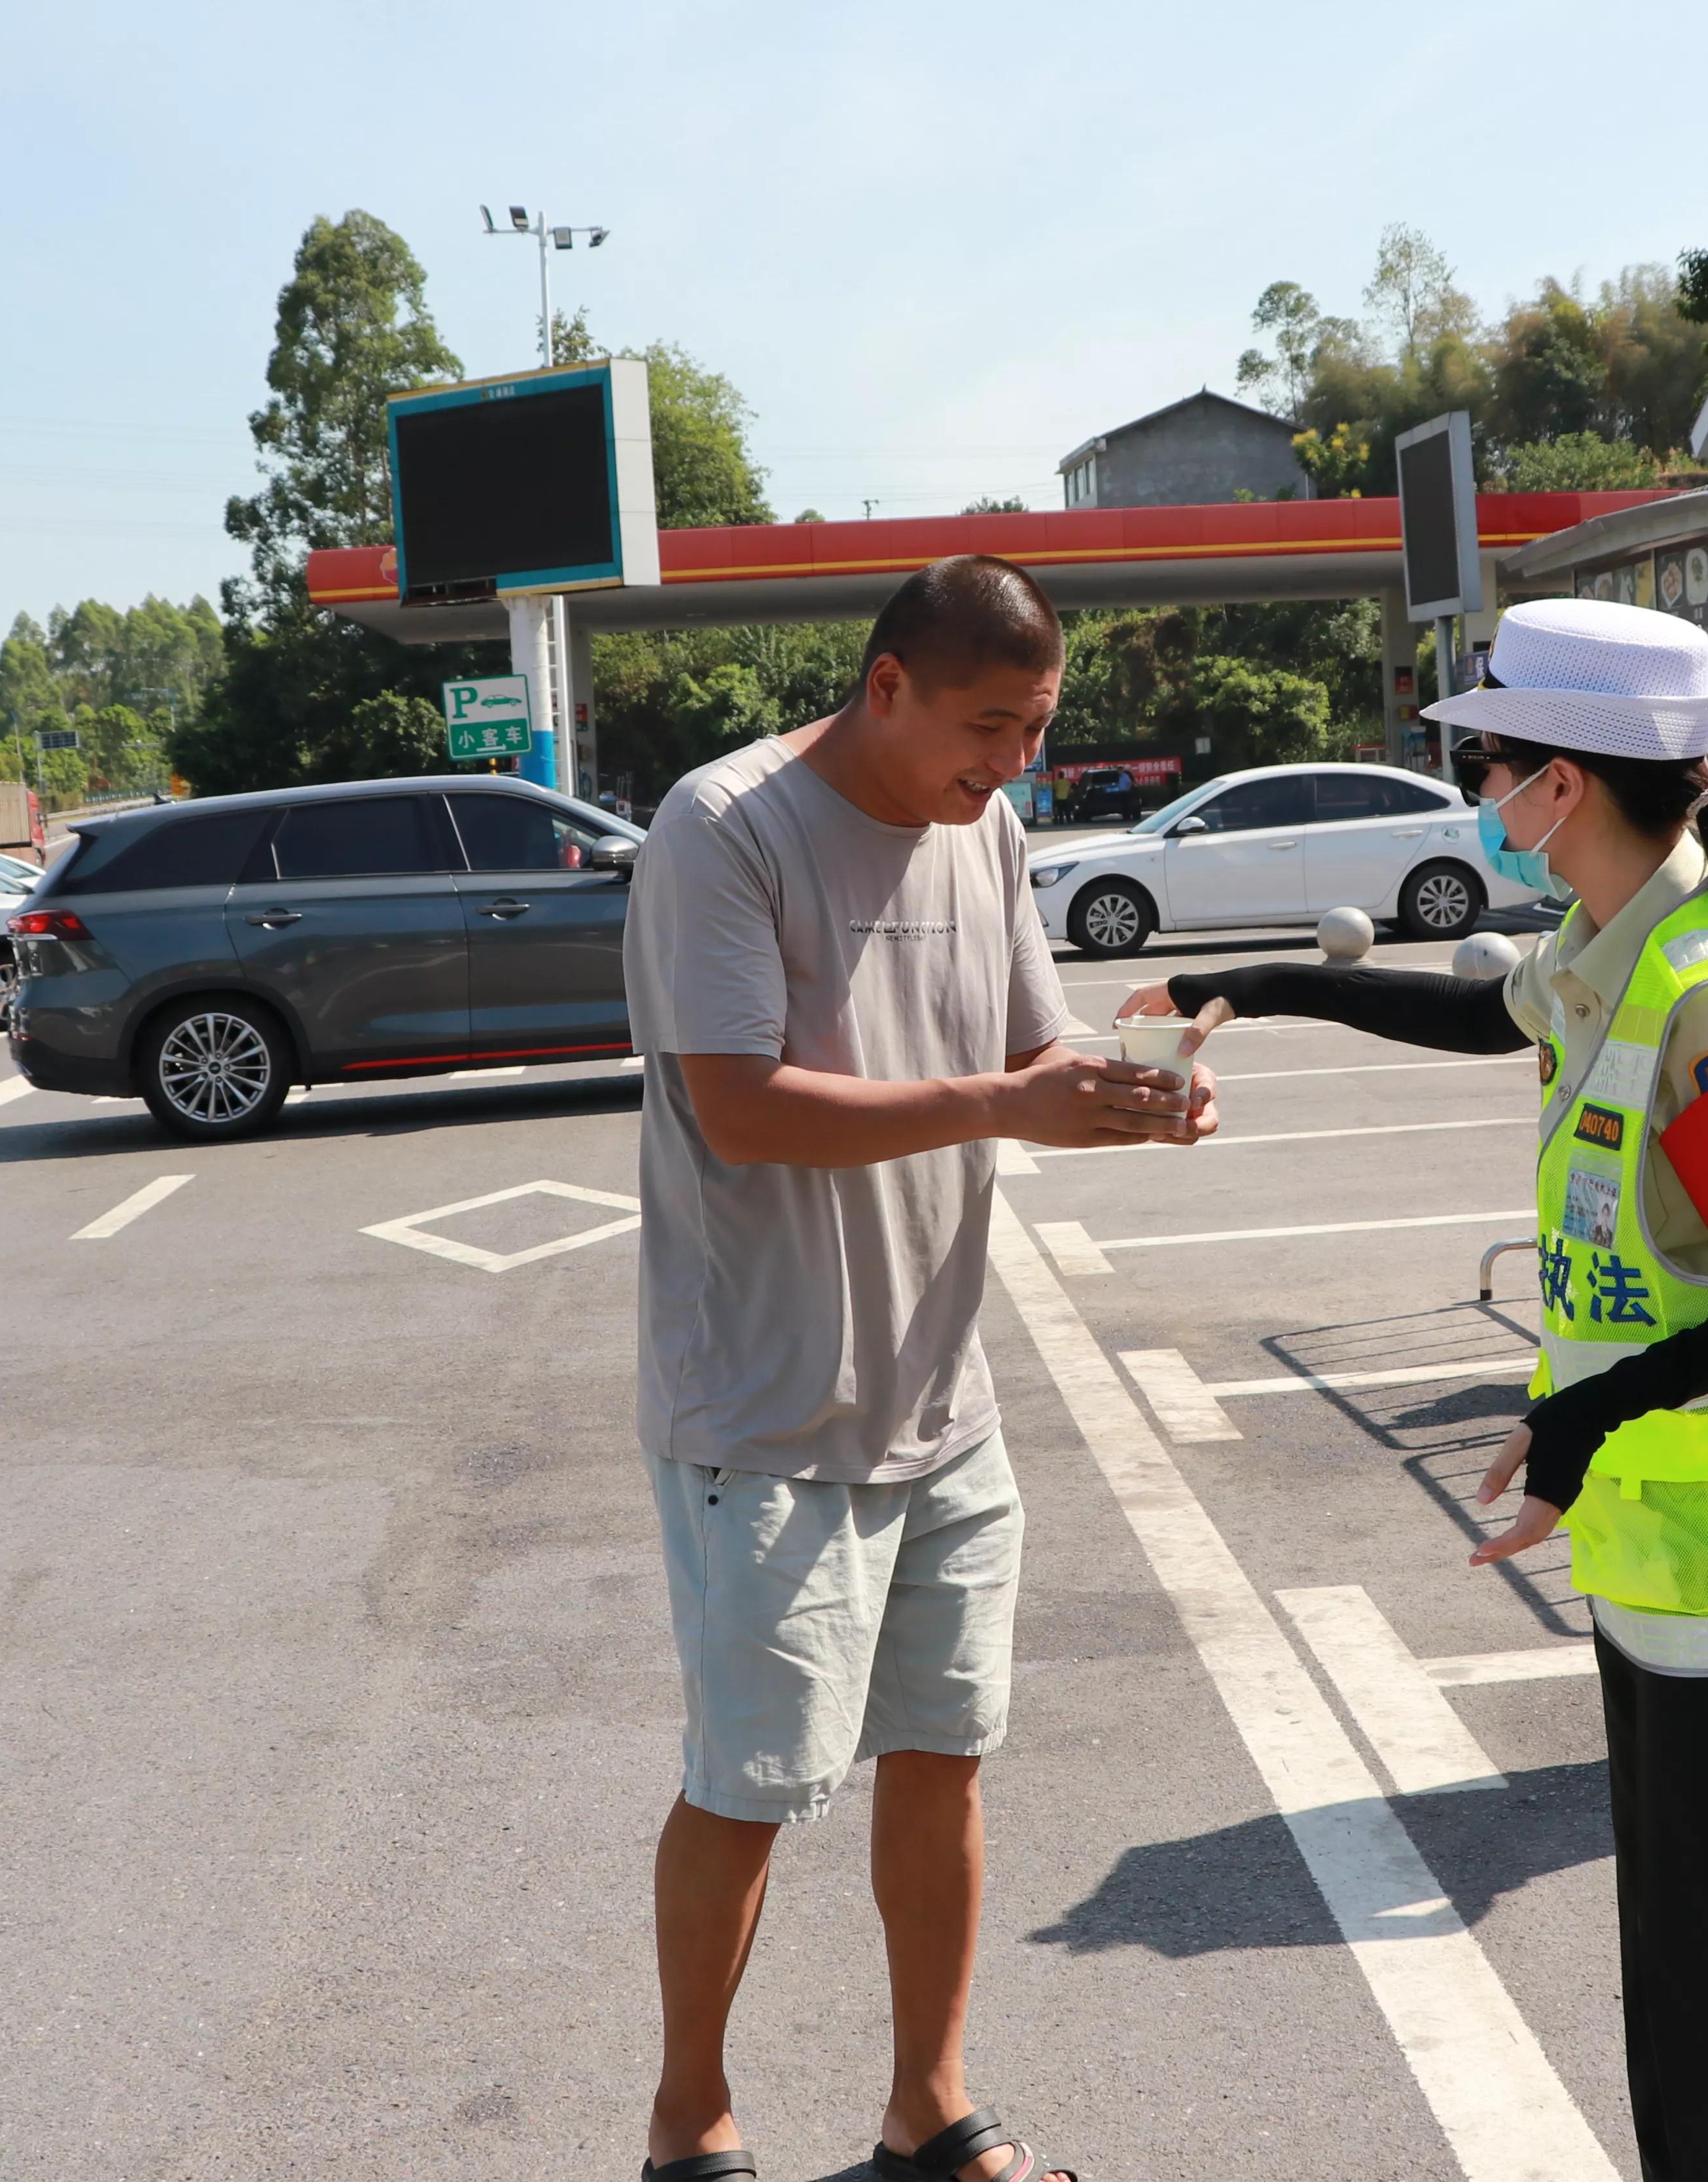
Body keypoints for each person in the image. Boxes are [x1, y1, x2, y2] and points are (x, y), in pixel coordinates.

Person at [1120, 597, 1708, 2181]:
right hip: (1661, 1540)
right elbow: (1485, 1012)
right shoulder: (1607, 941)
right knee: (1677, 1949)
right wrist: (1261, 986)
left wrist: (1585, 1418)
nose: (1478, 789)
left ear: (1568, 778)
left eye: (1489, 760)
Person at [630, 555, 1214, 2182]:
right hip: (766, 1398)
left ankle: (930, 2110)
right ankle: (691, 2125)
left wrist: (1120, 1085)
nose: (1010, 764)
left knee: (944, 1752)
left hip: (942, 1395)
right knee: (748, 1781)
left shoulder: (990, 830)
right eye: (987, 726)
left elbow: (1027, 1058)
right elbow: (741, 1105)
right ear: (885, 687)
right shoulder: (725, 827)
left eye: (1033, 730)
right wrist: (1000, 1104)